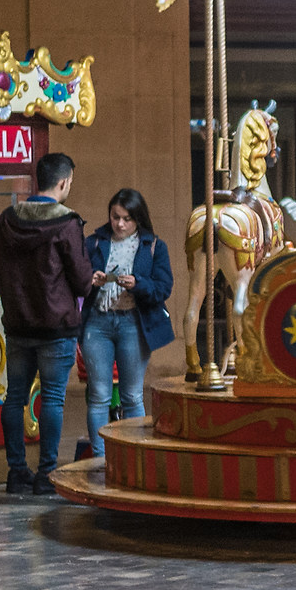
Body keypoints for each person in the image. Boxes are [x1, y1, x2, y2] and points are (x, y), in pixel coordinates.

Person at [0, 150, 89, 495]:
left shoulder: (5, 220)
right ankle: (47, 474)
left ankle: (16, 473)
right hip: (56, 325)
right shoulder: (67, 222)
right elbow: (81, 279)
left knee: (14, 397)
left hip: (18, 324)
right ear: (64, 182)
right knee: (53, 399)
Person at [75, 189, 176, 463]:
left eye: (127, 219)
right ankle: (100, 458)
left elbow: (163, 287)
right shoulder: (94, 242)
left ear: (138, 219)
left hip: (134, 322)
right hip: (98, 322)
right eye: (115, 217)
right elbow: (76, 278)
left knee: (132, 395)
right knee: (98, 395)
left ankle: (136, 456)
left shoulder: (153, 245)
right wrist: (90, 280)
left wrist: (138, 284)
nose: (120, 224)